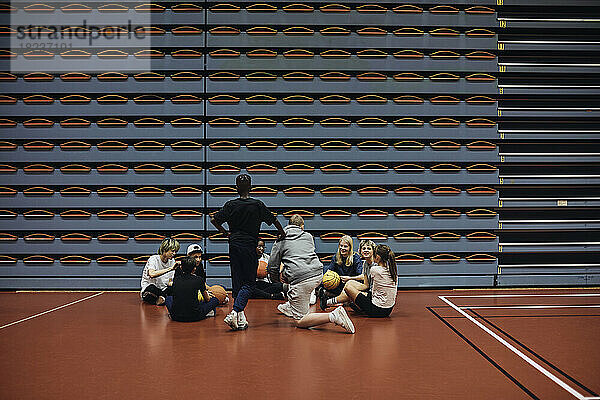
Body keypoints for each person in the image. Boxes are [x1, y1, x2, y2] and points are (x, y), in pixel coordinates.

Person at [211, 173, 285, 331]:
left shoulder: (230, 205)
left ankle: (240, 317)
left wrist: (225, 233)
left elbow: (214, 220)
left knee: (237, 281)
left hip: (234, 245)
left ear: (236, 188)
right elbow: (274, 220)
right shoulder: (257, 205)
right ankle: (235, 311)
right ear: (251, 187)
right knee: (250, 283)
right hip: (249, 246)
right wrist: (282, 233)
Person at [267, 214, 323, 320]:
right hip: (318, 273)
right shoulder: (308, 236)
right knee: (292, 276)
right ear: (302, 227)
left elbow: (272, 267)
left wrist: (277, 279)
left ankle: (333, 316)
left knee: (300, 321)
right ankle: (294, 303)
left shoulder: (281, 239)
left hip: (302, 278)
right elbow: (300, 257)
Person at [341, 244, 398, 318]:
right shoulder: (393, 271)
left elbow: (366, 285)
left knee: (348, 287)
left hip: (376, 309)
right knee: (363, 295)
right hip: (389, 310)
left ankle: (330, 302)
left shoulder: (374, 269)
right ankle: (358, 306)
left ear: (377, 257)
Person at [323, 239, 376, 310]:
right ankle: (336, 301)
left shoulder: (375, 265)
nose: (366, 250)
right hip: (368, 291)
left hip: (375, 296)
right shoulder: (365, 264)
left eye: (369, 248)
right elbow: (366, 286)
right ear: (360, 250)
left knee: (350, 288)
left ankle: (328, 302)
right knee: (349, 285)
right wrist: (350, 288)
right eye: (364, 248)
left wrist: (352, 288)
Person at [165, 256, 220, 322]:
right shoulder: (199, 279)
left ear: (181, 268)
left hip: (176, 316)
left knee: (168, 298)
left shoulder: (176, 279)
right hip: (195, 316)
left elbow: (175, 297)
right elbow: (207, 299)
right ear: (194, 269)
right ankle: (209, 312)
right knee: (215, 300)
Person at [316, 235, 363, 310]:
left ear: (350, 248)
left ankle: (330, 300)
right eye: (341, 246)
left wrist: (349, 279)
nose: (342, 248)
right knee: (325, 283)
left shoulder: (355, 257)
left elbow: (361, 276)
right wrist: (326, 280)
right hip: (338, 285)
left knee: (351, 289)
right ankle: (331, 296)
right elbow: (329, 271)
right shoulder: (336, 257)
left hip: (350, 284)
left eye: (345, 246)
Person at [140, 238, 180, 305]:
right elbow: (152, 274)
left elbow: (169, 282)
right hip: (151, 289)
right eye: (172, 251)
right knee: (151, 289)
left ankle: (161, 298)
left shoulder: (172, 261)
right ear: (165, 249)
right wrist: (170, 269)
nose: (174, 253)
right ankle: (161, 298)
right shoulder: (153, 259)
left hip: (163, 289)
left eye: (175, 251)